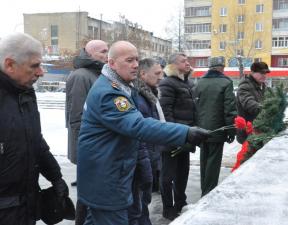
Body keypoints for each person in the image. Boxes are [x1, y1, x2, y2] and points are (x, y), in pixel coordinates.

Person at [76, 41, 210, 225]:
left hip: (112, 174)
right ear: (112, 63)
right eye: (129, 60)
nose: (136, 65)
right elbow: (138, 125)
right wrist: (185, 132)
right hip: (106, 177)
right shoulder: (109, 93)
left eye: (137, 59)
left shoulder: (120, 86)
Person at [0, 33, 69, 225]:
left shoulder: (26, 93)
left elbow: (35, 141)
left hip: (26, 209)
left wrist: (56, 177)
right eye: (34, 65)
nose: (41, 72)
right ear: (9, 65)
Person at [65, 39, 108, 225]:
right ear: (90, 53)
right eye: (102, 51)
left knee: (94, 192)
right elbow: (76, 117)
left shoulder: (99, 74)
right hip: (89, 147)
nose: (107, 55)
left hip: (99, 145)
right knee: (87, 194)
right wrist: (86, 148)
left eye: (108, 50)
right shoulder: (81, 75)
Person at [158, 52, 195, 220]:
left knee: (183, 172)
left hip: (185, 136)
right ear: (173, 65)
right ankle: (168, 207)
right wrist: (175, 135)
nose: (187, 63)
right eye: (183, 61)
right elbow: (165, 112)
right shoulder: (167, 83)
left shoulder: (186, 82)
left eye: (187, 60)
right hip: (172, 137)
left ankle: (181, 202)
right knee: (168, 176)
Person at [128, 58, 164, 225]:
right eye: (157, 73)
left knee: (143, 204)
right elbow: (144, 132)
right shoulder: (139, 98)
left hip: (151, 156)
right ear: (143, 74)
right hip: (144, 159)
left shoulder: (149, 95)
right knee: (140, 206)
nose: (161, 77)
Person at [194, 56, 237, 196]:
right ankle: (208, 194)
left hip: (200, 129)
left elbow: (195, 106)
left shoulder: (199, 82)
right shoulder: (226, 83)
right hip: (217, 130)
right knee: (213, 163)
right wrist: (231, 130)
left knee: (204, 161)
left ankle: (204, 190)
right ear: (222, 67)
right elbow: (229, 109)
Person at [236, 61, 270, 144]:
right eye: (261, 73)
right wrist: (267, 109)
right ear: (253, 72)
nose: (264, 75)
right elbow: (249, 103)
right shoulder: (245, 86)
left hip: (259, 128)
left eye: (265, 73)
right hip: (248, 130)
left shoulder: (262, 86)